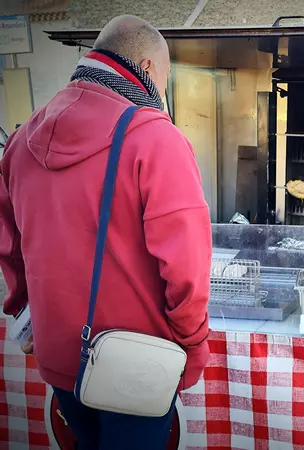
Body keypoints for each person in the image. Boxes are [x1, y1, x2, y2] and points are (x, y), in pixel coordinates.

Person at [0, 15, 212, 449]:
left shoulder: (21, 140)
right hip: (134, 367)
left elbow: (8, 246)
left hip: (59, 356)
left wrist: (25, 314)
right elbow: (187, 269)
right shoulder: (156, 138)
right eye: (166, 79)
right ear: (149, 70)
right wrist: (192, 348)